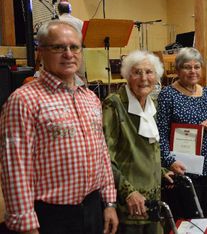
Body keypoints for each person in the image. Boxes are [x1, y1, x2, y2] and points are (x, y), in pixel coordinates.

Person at [0, 20, 118, 234]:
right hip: (50, 216)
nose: (68, 53)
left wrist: (109, 202)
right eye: (58, 47)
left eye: (74, 47)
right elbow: (15, 167)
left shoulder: (90, 98)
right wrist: (27, 226)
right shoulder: (24, 100)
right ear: (41, 52)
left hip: (92, 208)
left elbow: (102, 153)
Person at [102, 50, 174, 234]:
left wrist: (162, 170)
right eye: (137, 72)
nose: (144, 78)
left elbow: (148, 150)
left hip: (152, 197)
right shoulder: (114, 104)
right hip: (129, 201)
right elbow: (104, 157)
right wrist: (128, 192)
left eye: (149, 72)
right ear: (127, 76)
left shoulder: (152, 104)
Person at [156, 47, 207, 216]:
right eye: (187, 67)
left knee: (205, 213)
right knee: (189, 215)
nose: (193, 71)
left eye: (197, 67)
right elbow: (160, 133)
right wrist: (169, 160)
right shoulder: (168, 94)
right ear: (178, 70)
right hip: (182, 168)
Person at [57, 1, 86, 83]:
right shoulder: (80, 22)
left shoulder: (56, 22)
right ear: (70, 10)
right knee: (81, 78)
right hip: (78, 54)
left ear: (59, 10)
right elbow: (85, 39)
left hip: (63, 55)